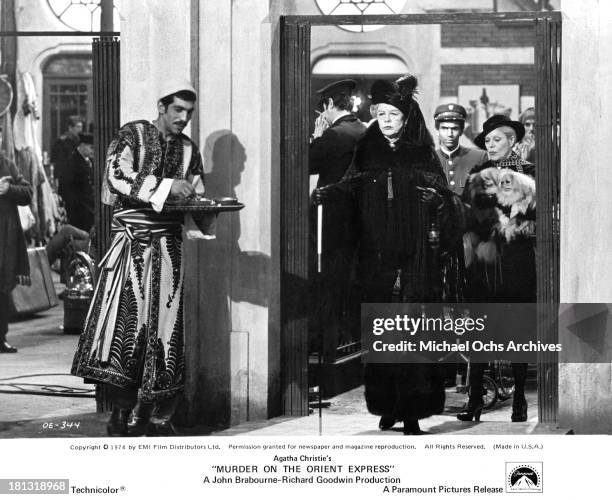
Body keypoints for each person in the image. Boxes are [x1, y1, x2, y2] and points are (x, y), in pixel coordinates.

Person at [315, 75, 464, 434]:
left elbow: (448, 199)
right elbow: (351, 186)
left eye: (393, 114)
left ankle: (412, 411)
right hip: (377, 254)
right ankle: (386, 405)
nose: (385, 120)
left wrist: (438, 202)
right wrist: (331, 194)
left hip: (417, 255)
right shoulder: (367, 149)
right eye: (380, 114)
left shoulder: (421, 153)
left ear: (406, 117)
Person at [71, 80, 215, 436]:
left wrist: (204, 205)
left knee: (167, 332)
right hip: (131, 246)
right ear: (162, 107)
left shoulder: (188, 149)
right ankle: (121, 413)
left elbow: (194, 194)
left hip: (169, 249)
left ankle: (157, 416)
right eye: (178, 110)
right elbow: (116, 177)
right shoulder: (133, 134)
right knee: (125, 328)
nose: (184, 118)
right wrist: (167, 187)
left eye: (189, 113)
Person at [458, 114, 535, 423]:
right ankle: (475, 400)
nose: (490, 145)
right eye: (487, 141)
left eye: (496, 140)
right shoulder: (477, 174)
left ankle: (519, 401)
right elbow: (467, 216)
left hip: (516, 263)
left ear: (511, 141)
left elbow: (535, 217)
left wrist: (509, 228)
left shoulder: (529, 174)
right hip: (484, 264)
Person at [308, 79, 366, 362]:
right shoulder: (363, 130)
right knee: (350, 282)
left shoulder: (334, 134)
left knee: (327, 284)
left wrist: (317, 137)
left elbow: (307, 164)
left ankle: (327, 348)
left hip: (330, 219)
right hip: (358, 220)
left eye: (323, 108)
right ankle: (348, 344)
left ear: (330, 104)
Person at [0, 126, 33, 353]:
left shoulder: (7, 162)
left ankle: (0, 338)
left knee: (3, 289)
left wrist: (8, 188)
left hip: (4, 239)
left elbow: (28, 193)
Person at [434, 103, 487, 196]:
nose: (449, 134)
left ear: (461, 131)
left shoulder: (479, 157)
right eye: (444, 128)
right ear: (437, 131)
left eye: (454, 128)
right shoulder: (429, 159)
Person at [62, 133, 95, 231]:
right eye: (91, 148)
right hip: (78, 211)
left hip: (89, 209)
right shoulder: (72, 162)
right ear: (82, 146)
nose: (93, 151)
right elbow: (65, 188)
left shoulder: (90, 161)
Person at [51, 115, 83, 202]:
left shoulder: (79, 142)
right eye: (78, 127)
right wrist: (56, 180)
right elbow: (58, 163)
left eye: (81, 127)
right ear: (70, 127)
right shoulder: (62, 142)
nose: (80, 130)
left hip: (77, 181)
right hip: (66, 181)